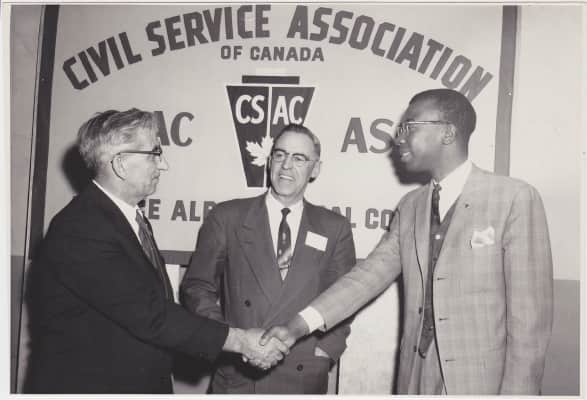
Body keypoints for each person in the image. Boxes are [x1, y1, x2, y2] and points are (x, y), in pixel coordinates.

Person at [261, 89, 554, 395]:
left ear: (447, 133)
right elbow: (366, 277)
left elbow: (530, 324)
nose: (398, 139)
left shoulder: (514, 198)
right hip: (415, 379)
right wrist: (298, 325)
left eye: (409, 127)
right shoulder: (411, 205)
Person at [26, 109, 288, 394]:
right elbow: (150, 314)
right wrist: (239, 341)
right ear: (121, 164)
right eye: (154, 153)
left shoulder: (125, 218)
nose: (163, 165)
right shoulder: (82, 228)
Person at [180, 124, 356, 394]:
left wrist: (325, 351)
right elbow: (196, 287)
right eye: (280, 155)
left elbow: (344, 298)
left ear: (316, 169)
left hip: (302, 373)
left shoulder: (334, 227)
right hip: (238, 371)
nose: (286, 166)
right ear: (269, 161)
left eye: (299, 158)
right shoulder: (227, 217)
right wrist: (231, 339)